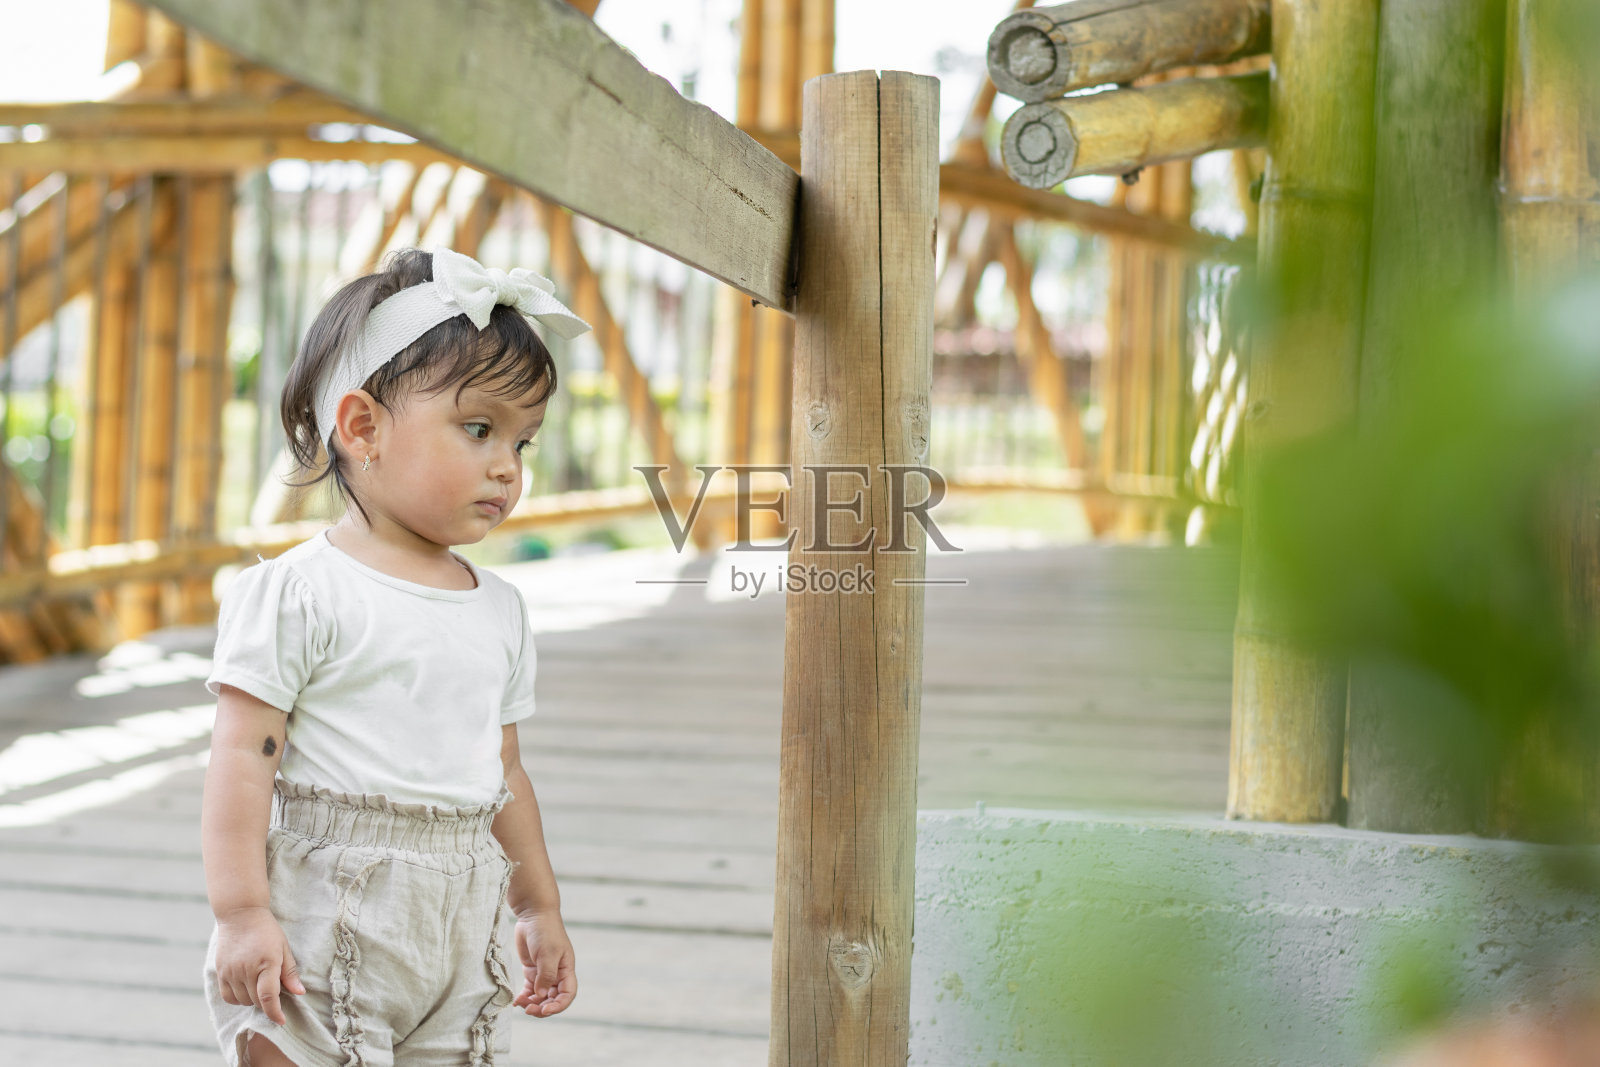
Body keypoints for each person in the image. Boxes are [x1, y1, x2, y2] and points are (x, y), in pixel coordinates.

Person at [200, 246, 591, 1066]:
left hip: (459, 914)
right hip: (324, 913)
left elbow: (505, 770)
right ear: (363, 427)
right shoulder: (302, 592)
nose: (506, 467)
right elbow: (244, 753)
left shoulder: (499, 608)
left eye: (523, 442)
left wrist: (537, 906)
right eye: (479, 428)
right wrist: (241, 913)